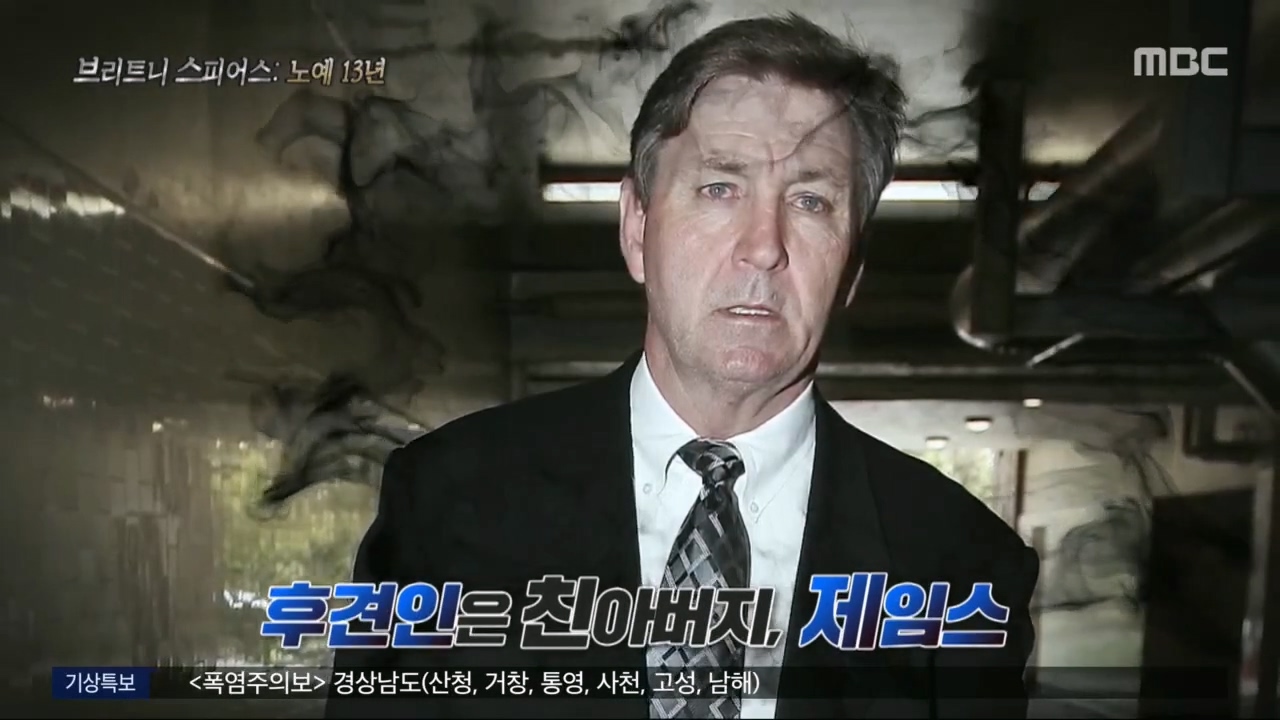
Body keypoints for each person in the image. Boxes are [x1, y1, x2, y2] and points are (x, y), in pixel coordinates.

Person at [327, 13, 1039, 720]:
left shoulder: (962, 564)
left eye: (811, 200)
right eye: (719, 188)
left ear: (851, 267)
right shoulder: (445, 500)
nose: (764, 246)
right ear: (636, 227)